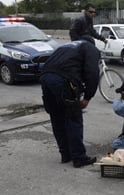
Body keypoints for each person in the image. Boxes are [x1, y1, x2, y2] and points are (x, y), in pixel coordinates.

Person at [40, 37, 100, 168]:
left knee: (57, 117)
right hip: (62, 80)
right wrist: (88, 97)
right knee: (74, 118)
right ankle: (78, 157)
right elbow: (92, 72)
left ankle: (65, 154)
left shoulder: (66, 45)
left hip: (45, 77)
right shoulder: (90, 48)